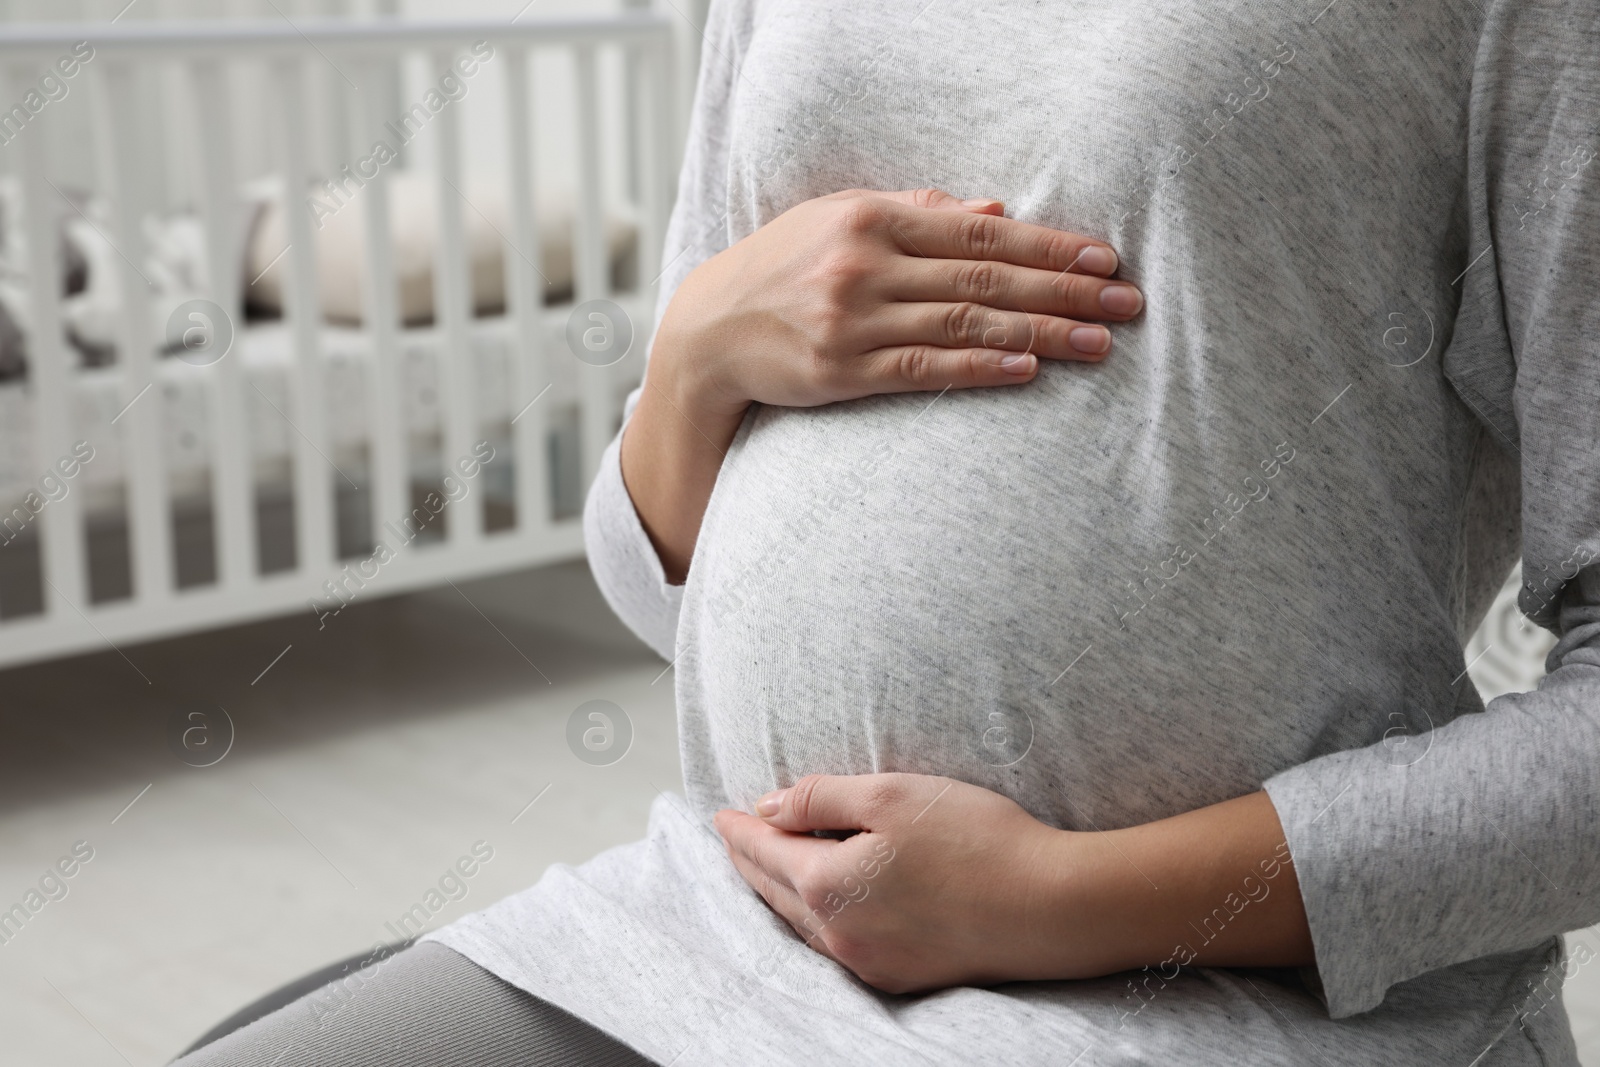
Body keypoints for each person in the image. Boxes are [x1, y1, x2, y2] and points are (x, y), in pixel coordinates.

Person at [176, 0, 1600, 1063]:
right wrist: (691, 364)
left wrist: (1061, 901)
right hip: (726, 929)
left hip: (1225, 1008)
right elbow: (664, 593)